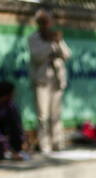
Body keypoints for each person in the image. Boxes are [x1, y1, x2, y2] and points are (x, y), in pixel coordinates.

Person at [28, 9, 71, 153]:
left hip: (57, 80)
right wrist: (50, 44)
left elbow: (67, 55)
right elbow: (37, 57)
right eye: (43, 22)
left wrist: (58, 42)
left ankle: (58, 142)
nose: (46, 25)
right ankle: (45, 145)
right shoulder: (34, 38)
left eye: (48, 22)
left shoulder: (55, 37)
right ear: (39, 23)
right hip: (42, 82)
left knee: (56, 114)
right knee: (43, 116)